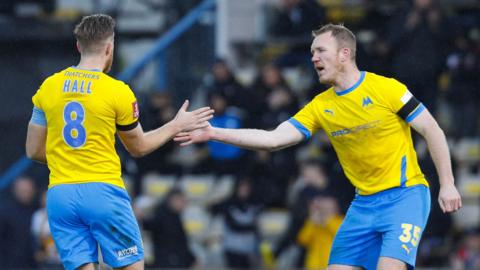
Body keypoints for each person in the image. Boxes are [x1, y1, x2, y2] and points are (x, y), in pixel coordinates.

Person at [174, 23, 462, 270]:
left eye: (320, 50)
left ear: (344, 54)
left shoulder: (386, 89)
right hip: (363, 204)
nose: (313, 58)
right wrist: (214, 132)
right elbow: (273, 139)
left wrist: (447, 184)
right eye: (312, 52)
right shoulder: (320, 106)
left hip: (405, 196)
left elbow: (431, 129)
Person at [25, 14, 213, 270]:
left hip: (60, 195)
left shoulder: (48, 87)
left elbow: (33, 150)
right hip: (102, 192)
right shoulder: (117, 91)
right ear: (109, 47)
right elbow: (139, 147)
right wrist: (176, 125)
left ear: (78, 46)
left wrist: (69, 156)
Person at [140, 188, 196, 269]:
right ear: (172, 200)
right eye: (181, 201)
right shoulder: (161, 215)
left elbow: (182, 243)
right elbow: (148, 225)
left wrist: (192, 259)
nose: (184, 204)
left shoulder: (176, 217)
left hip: (175, 260)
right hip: (166, 261)